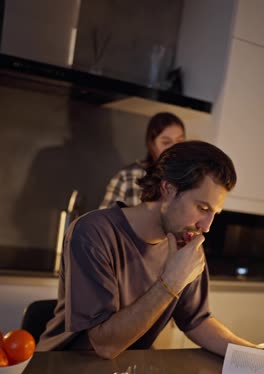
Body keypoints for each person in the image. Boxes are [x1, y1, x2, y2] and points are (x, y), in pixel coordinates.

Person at [37, 140, 260, 358]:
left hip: (128, 368)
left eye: (214, 214)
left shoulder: (187, 242)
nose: (207, 226)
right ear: (168, 189)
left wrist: (253, 354)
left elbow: (196, 320)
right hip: (62, 368)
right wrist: (171, 281)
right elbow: (104, 345)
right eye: (202, 208)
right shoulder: (92, 233)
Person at [99, 112, 185, 208]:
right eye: (166, 142)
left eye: (180, 141)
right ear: (151, 144)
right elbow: (104, 218)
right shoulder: (128, 176)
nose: (174, 148)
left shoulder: (188, 178)